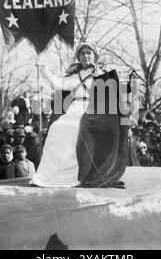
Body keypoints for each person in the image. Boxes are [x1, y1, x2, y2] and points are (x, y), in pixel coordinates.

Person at [30, 42, 128, 188]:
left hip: (93, 111)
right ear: (78, 57)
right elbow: (57, 84)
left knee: (74, 128)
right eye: (82, 53)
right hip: (74, 108)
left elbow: (112, 98)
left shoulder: (102, 75)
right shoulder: (73, 76)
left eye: (89, 53)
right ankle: (49, 173)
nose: (86, 56)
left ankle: (76, 173)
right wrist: (42, 68)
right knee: (57, 128)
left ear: (95, 56)